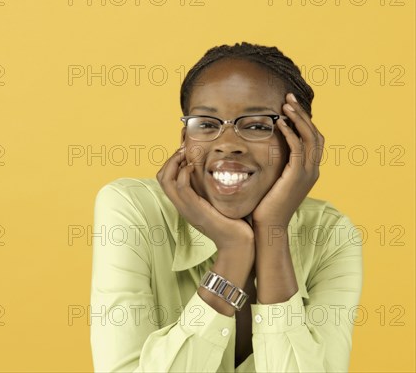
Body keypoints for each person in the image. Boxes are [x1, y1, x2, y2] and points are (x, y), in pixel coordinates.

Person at [90, 43, 363, 373]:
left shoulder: (330, 235)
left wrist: (272, 231)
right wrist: (233, 252)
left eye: (258, 125)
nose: (227, 143)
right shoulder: (131, 210)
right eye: (206, 123)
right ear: (185, 140)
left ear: (299, 143)